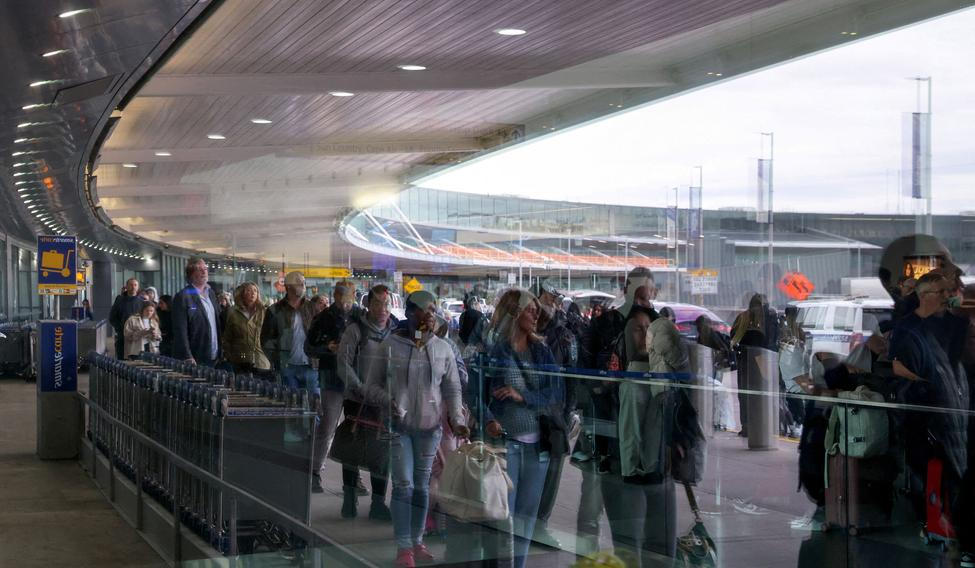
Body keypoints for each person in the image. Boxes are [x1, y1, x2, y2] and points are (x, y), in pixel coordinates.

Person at [362, 290, 468, 568]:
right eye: (424, 309)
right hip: (398, 426)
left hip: (430, 428)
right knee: (404, 485)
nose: (430, 314)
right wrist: (389, 401)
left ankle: (418, 540)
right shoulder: (389, 345)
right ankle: (403, 546)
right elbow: (369, 386)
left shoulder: (443, 348)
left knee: (422, 487)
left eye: (433, 309)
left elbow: (453, 388)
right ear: (410, 314)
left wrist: (457, 419)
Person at [600, 304, 690, 567]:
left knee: (662, 551)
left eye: (648, 330)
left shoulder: (667, 378)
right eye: (637, 330)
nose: (644, 336)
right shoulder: (617, 378)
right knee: (629, 552)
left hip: (661, 476)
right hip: (625, 478)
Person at [483, 288, 562, 568]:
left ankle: (520, 564)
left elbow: (555, 393)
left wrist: (523, 397)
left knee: (527, 515)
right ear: (514, 313)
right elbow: (476, 392)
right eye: (530, 308)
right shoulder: (495, 349)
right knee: (503, 514)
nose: (536, 313)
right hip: (505, 444)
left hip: (537, 444)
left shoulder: (540, 350)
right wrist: (487, 418)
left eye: (537, 309)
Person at [334, 285, 396, 519]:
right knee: (352, 450)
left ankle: (378, 504)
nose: (383, 308)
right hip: (357, 398)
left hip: (383, 402)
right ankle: (349, 499)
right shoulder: (355, 330)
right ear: (369, 304)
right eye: (378, 303)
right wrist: (359, 387)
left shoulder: (395, 331)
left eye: (387, 303)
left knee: (382, 453)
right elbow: (343, 363)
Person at [531, 279, 578, 548]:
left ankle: (540, 525)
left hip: (555, 414)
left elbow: (572, 376)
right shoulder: (521, 328)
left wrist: (570, 410)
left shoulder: (564, 334)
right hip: (526, 412)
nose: (552, 302)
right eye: (548, 297)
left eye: (555, 298)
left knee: (552, 472)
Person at [304, 281, 361, 496]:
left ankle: (354, 477)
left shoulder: (359, 315)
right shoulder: (324, 317)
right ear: (336, 296)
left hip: (355, 379)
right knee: (327, 426)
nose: (346, 301)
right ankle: (315, 471)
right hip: (332, 378)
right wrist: (327, 349)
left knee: (356, 429)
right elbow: (309, 348)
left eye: (350, 296)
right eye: (342, 296)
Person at [263, 271, 318, 440]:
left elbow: (319, 334)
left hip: (310, 365)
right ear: (288, 287)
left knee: (314, 402)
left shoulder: (311, 307)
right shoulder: (275, 310)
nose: (303, 286)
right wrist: (276, 359)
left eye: (303, 283)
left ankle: (315, 436)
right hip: (287, 365)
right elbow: (266, 339)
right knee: (292, 403)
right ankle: (295, 434)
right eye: (299, 283)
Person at [730, 293, 779, 437]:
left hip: (744, 363)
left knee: (745, 395)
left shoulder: (743, 318)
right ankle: (760, 425)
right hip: (760, 362)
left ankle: (746, 426)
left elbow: (733, 340)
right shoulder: (765, 320)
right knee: (759, 396)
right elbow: (771, 341)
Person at [172, 258, 221, 367]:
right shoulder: (183, 296)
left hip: (213, 356)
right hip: (194, 357)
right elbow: (180, 330)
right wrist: (187, 355)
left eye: (205, 269)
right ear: (191, 274)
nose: (204, 272)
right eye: (199, 269)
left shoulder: (211, 294)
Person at [220, 282, 270, 375]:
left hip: (261, 361)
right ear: (242, 294)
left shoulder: (264, 312)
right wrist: (229, 355)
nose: (253, 293)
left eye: (255, 291)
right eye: (249, 290)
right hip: (240, 361)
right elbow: (227, 338)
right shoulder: (233, 313)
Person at [109, 278, 142, 359]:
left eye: (135, 285)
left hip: (137, 337)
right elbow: (112, 317)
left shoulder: (141, 302)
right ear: (126, 286)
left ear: (138, 287)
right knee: (122, 359)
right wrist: (120, 328)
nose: (133, 287)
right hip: (122, 336)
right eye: (131, 285)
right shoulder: (119, 300)